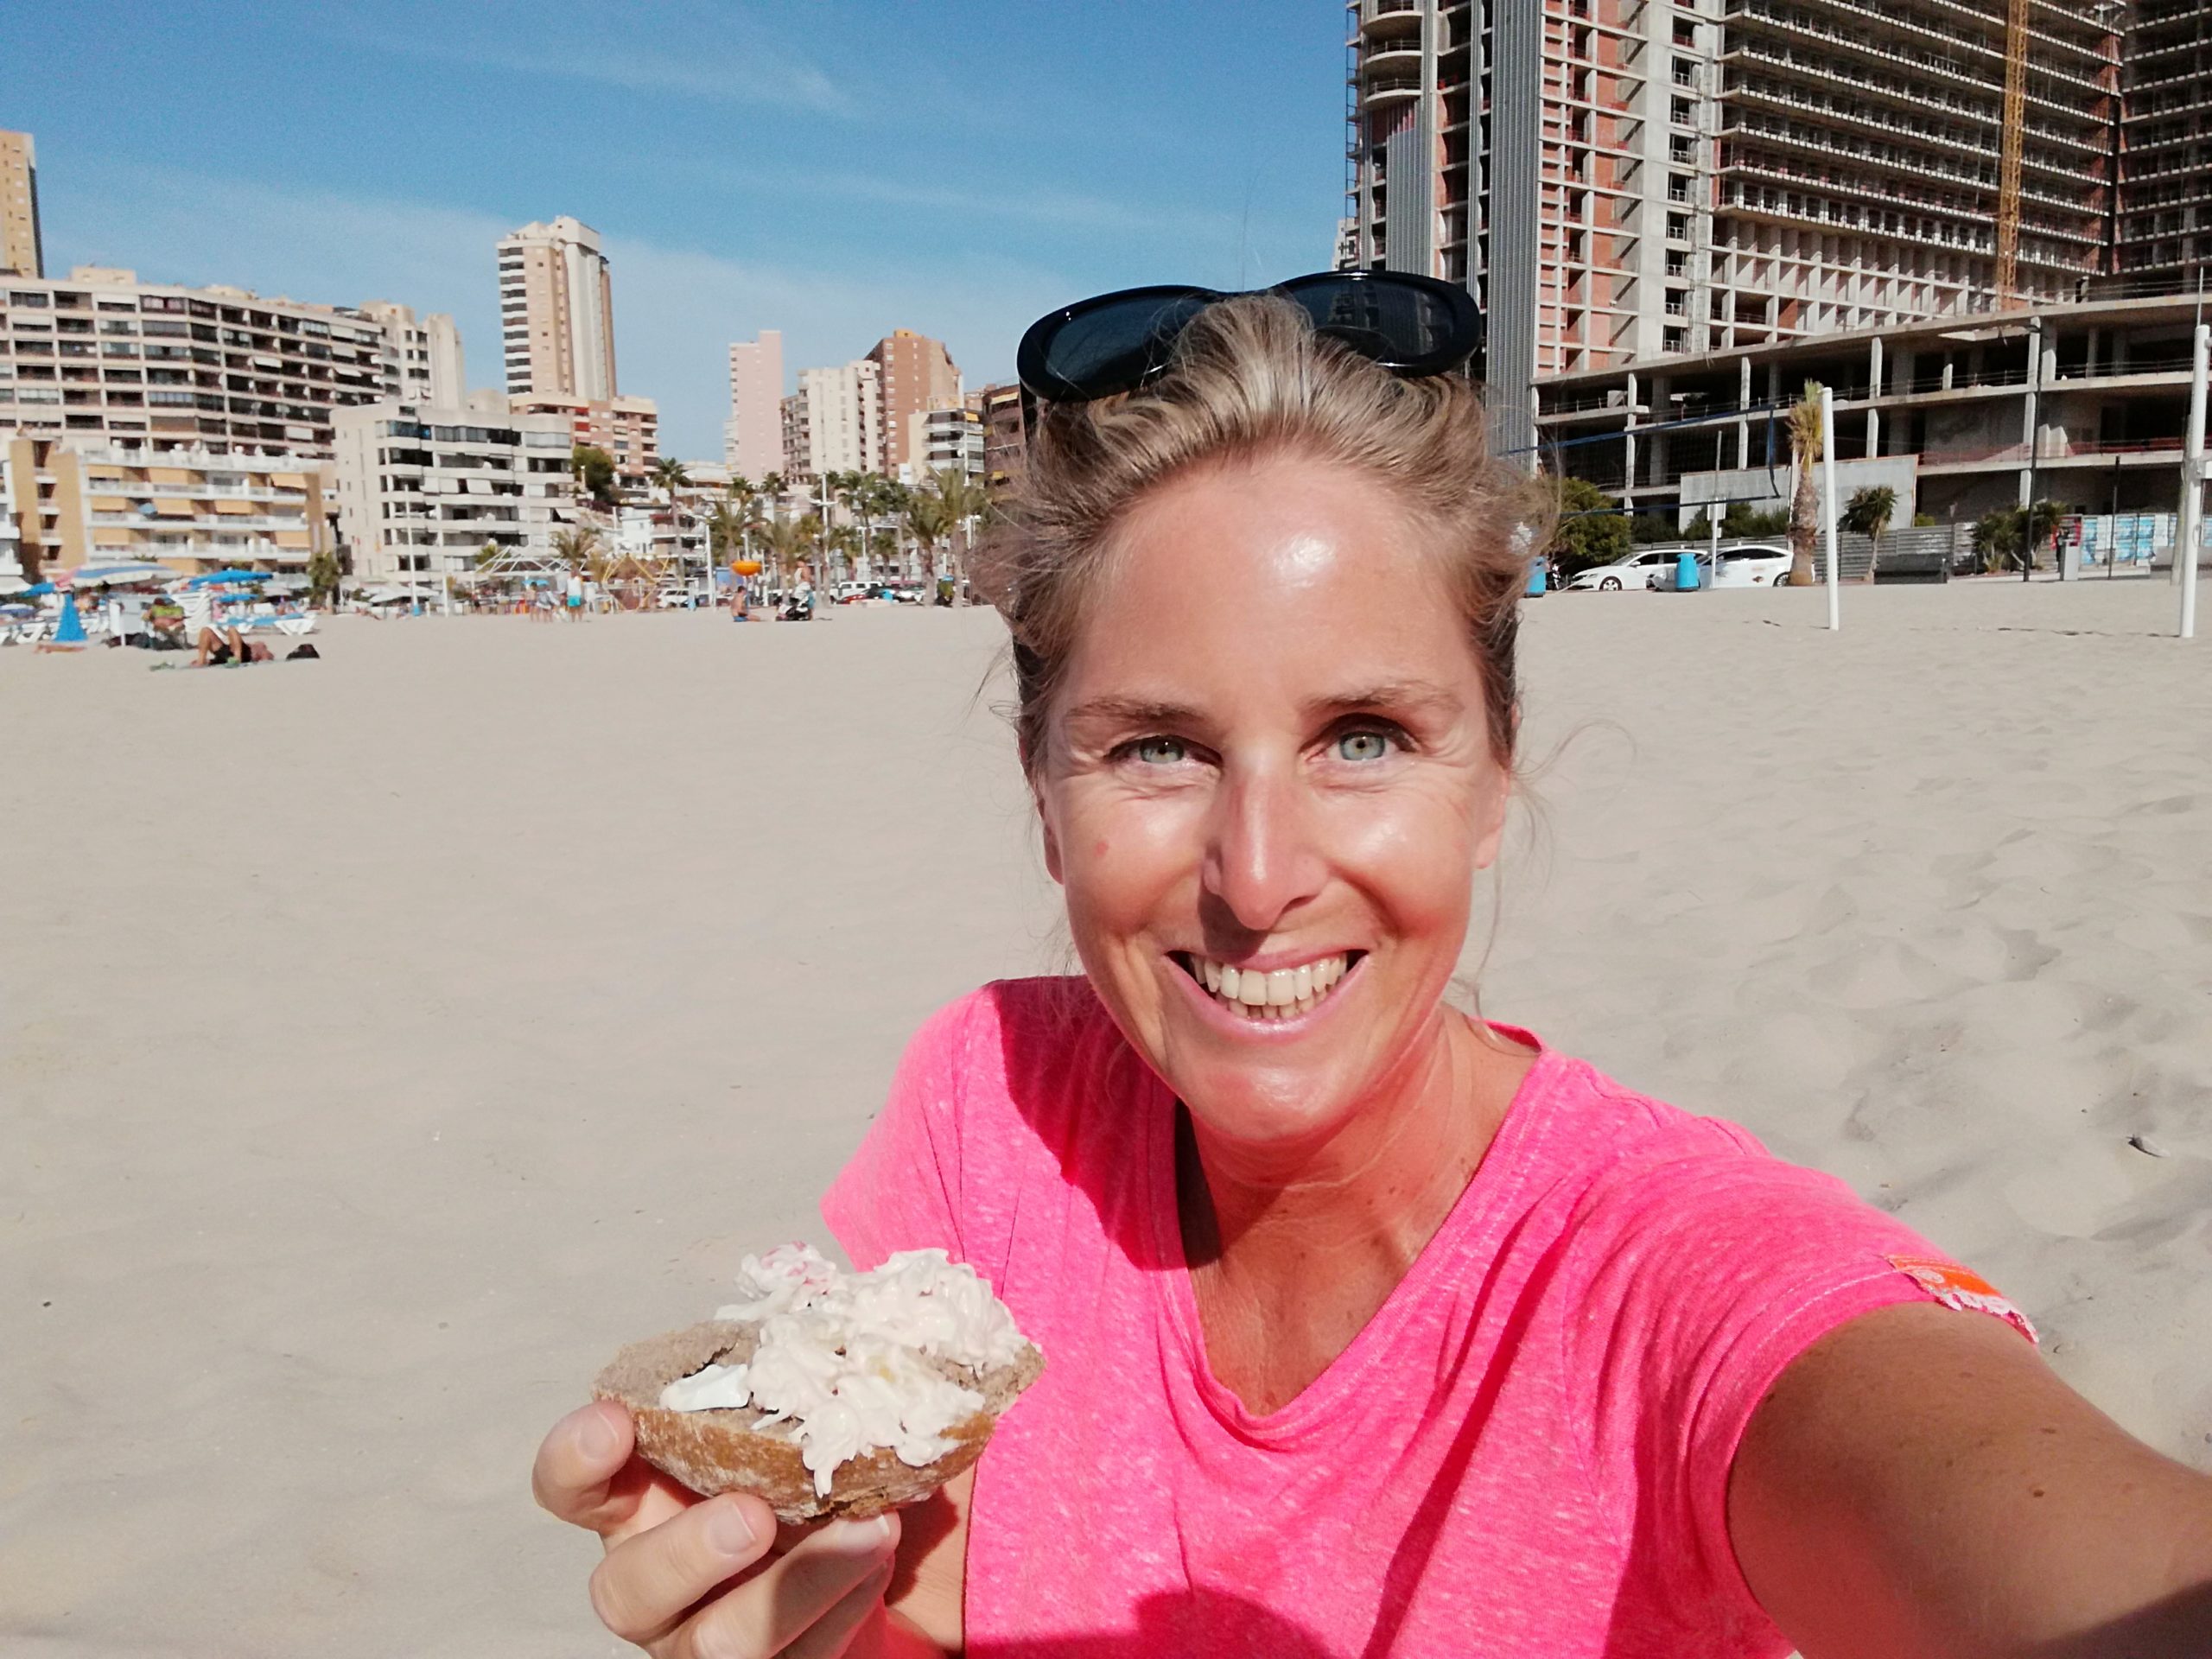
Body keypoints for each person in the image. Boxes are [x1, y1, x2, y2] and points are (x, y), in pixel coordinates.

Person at [534, 284, 2212, 1657]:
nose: (1258, 877)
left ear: (1490, 779)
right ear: (1042, 796)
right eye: (1156, 748)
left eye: (1361, 736)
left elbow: (2011, 1523)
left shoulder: (1668, 1282)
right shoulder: (991, 1105)